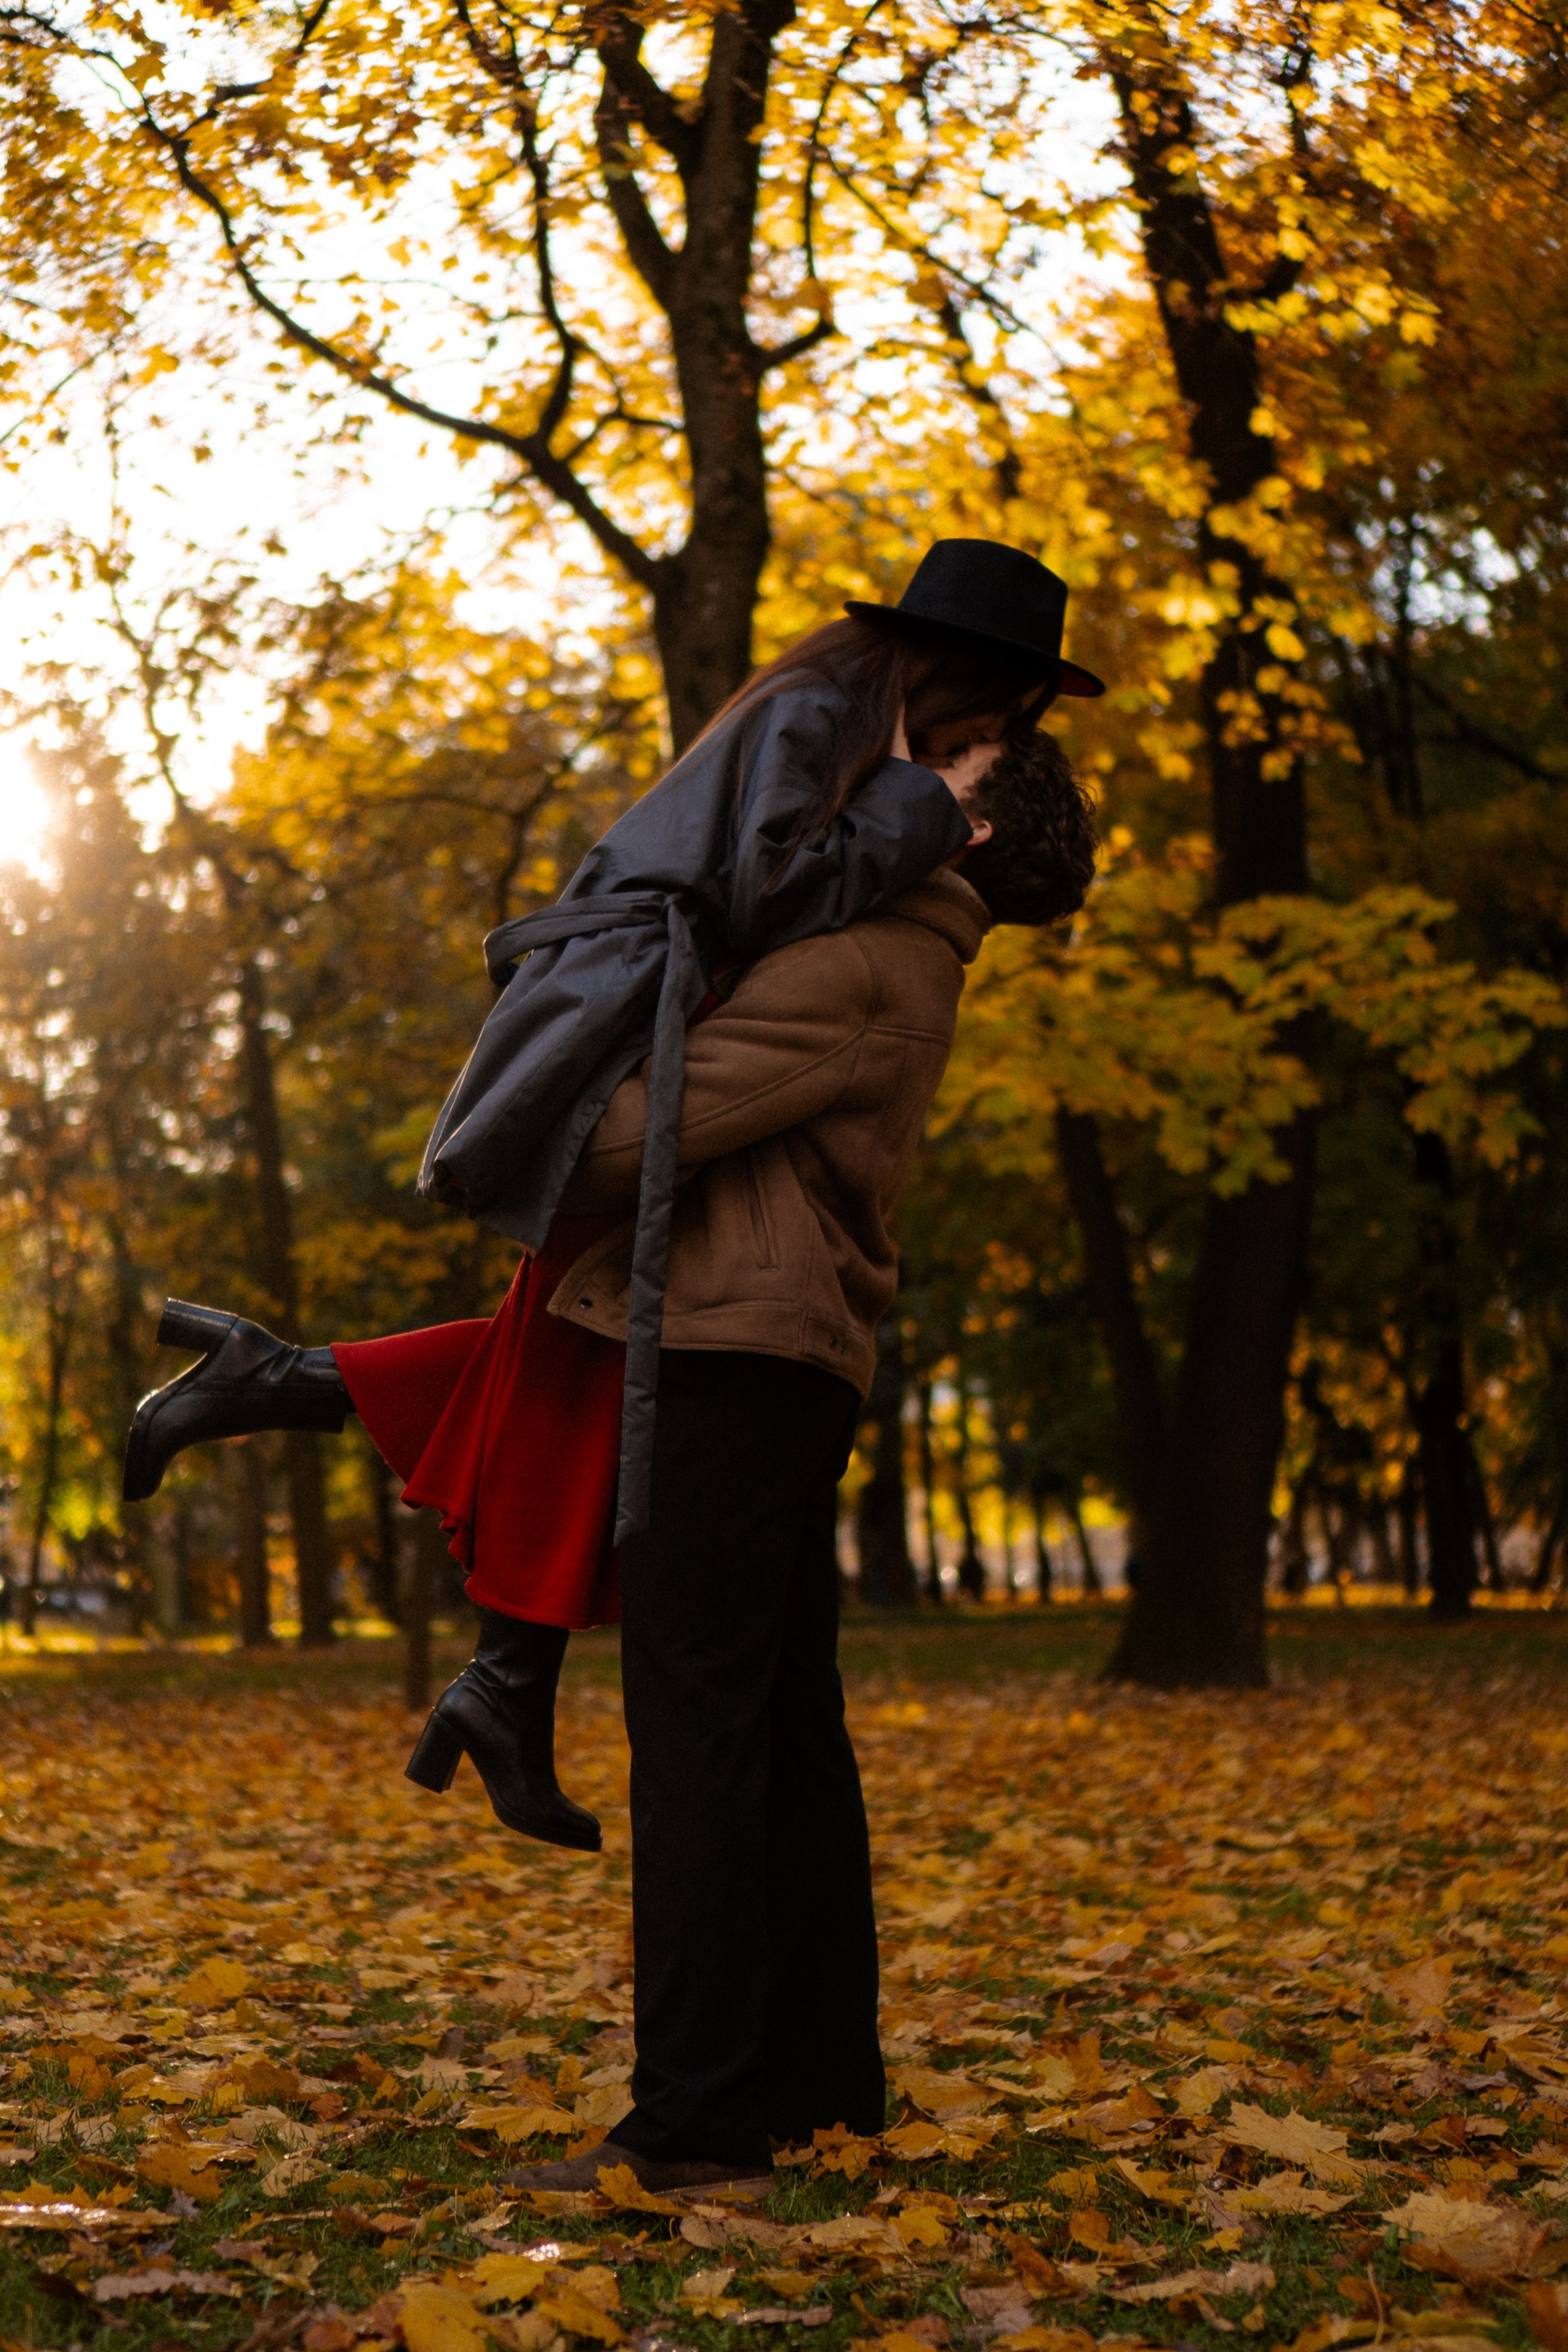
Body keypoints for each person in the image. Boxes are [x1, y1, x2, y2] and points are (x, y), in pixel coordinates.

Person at [121, 540, 1102, 1868]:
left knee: (575, 1339)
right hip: (619, 1026)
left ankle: (471, 1632)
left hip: (643, 1021)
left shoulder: (847, 749)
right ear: (961, 674)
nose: (985, 745)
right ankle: (482, 1649)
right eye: (992, 722)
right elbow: (762, 892)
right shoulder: (824, 725)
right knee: (584, 1331)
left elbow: (765, 897)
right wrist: (925, 809)